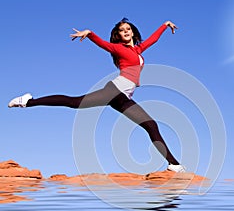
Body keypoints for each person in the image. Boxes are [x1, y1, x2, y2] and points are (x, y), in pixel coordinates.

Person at [8, 18, 185, 173]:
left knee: (150, 125)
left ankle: (173, 164)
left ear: (133, 32)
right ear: (118, 35)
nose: (125, 32)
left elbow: (152, 40)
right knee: (74, 103)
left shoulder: (137, 51)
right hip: (115, 91)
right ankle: (27, 101)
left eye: (128, 29)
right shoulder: (117, 48)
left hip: (123, 97)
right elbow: (103, 44)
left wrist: (165, 25)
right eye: (122, 30)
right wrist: (90, 33)